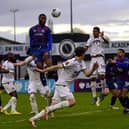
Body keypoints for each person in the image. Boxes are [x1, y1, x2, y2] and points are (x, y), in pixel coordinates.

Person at [28, 47, 98, 127]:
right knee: (72, 102)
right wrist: (43, 70)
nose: (85, 54)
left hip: (62, 85)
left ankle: (33, 119)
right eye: (84, 53)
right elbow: (57, 66)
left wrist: (93, 69)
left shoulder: (82, 63)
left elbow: (87, 74)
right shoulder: (72, 62)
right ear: (82, 54)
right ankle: (47, 110)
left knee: (53, 106)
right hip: (62, 84)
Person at [14, 49, 52, 115]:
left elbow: (47, 67)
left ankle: (49, 110)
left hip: (41, 81)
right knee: (31, 96)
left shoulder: (41, 59)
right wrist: (13, 64)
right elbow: (21, 63)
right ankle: (36, 113)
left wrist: (45, 70)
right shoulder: (29, 59)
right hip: (32, 82)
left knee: (49, 96)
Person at [85, 26, 109, 104]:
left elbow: (107, 42)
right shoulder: (90, 39)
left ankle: (102, 93)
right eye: (93, 31)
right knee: (93, 78)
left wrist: (102, 37)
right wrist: (82, 51)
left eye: (95, 31)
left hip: (100, 58)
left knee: (102, 76)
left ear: (98, 32)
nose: (94, 32)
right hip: (93, 59)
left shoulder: (101, 38)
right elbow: (86, 46)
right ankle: (94, 97)